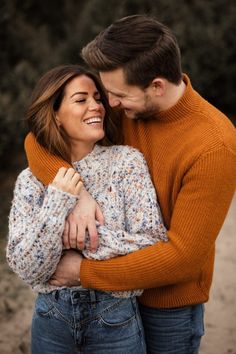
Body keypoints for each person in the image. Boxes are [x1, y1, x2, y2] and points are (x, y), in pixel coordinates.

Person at [24, 15, 236, 354]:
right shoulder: (123, 108)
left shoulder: (214, 145)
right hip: (110, 303)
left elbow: (184, 258)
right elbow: (39, 139)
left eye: (118, 94)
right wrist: (77, 192)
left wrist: (84, 272)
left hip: (167, 307)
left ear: (156, 86)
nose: (109, 104)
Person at [7, 64, 169, 354]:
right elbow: (27, 267)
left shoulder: (126, 162)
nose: (96, 106)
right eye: (81, 99)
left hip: (115, 318)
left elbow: (153, 243)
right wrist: (58, 202)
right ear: (55, 115)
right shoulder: (31, 179)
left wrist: (80, 242)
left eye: (97, 98)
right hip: (50, 318)